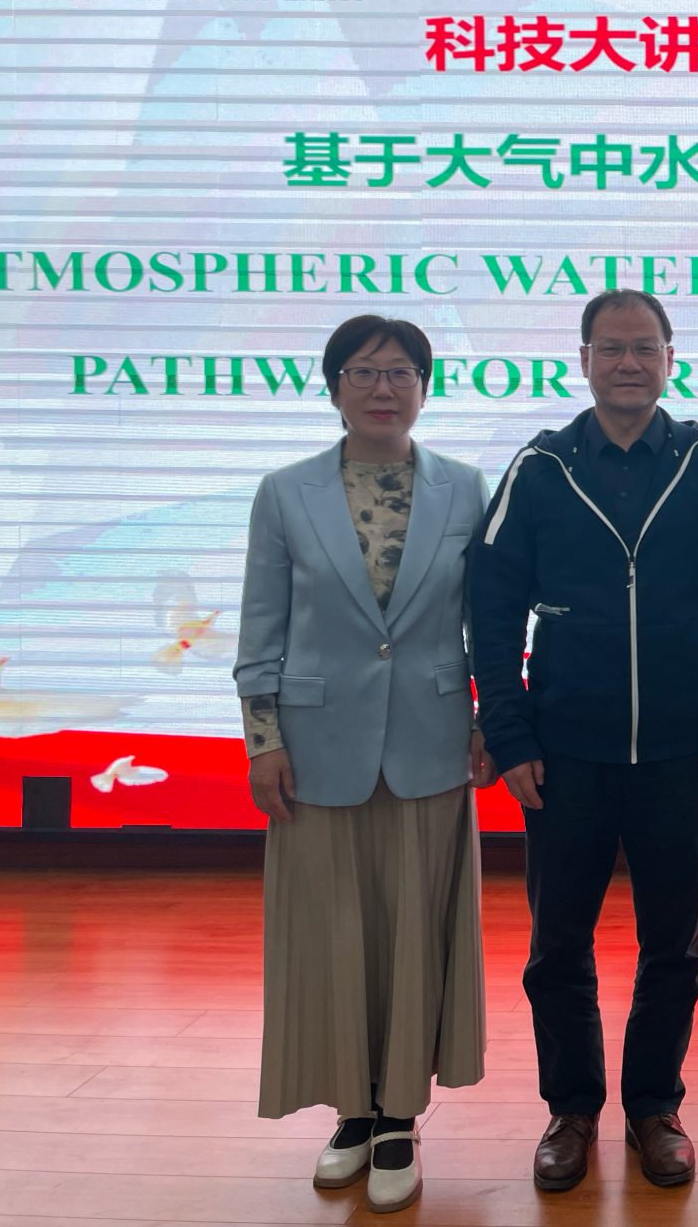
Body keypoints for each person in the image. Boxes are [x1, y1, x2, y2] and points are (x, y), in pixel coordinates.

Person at [468, 289, 698, 1193]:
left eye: (644, 348)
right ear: (585, 359)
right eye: (611, 348)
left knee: (674, 946)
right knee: (558, 947)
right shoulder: (541, 467)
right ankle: (571, 1109)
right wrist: (507, 729)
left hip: (678, 753)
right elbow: (490, 606)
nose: (628, 363)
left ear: (670, 357)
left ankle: (654, 1106)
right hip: (565, 755)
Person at [235, 313, 495, 1215]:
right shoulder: (286, 493)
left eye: (400, 373)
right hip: (317, 747)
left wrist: (490, 721)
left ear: (425, 387)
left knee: (414, 932)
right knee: (335, 933)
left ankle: (400, 1117)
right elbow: (261, 628)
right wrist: (263, 740)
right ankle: (352, 1110)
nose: (383, 388)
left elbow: (489, 623)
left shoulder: (466, 490)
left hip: (432, 740)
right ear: (333, 386)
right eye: (363, 372)